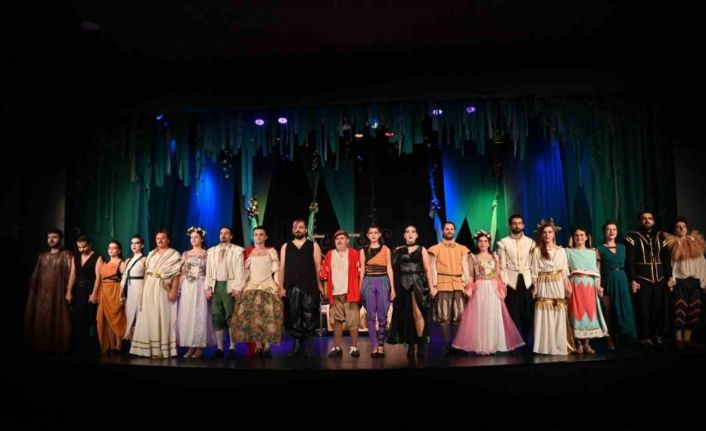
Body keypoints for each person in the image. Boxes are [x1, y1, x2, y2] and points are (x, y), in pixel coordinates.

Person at [453, 230, 524, 355]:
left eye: (485, 241)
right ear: (477, 243)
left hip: (492, 287)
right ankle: (481, 345)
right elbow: (471, 275)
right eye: (480, 241)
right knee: (480, 315)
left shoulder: (495, 256)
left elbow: (497, 273)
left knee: (492, 314)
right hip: (479, 287)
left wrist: (501, 287)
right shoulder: (472, 257)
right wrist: (469, 287)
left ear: (489, 243)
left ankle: (493, 344)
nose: (483, 243)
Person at [231, 226, 285, 357]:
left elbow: (276, 270)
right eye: (256, 234)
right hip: (252, 286)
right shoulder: (249, 252)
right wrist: (239, 287)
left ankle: (267, 346)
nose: (258, 237)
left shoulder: (271, 251)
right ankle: (258, 346)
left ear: (265, 237)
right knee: (254, 318)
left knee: (267, 316)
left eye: (261, 234)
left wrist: (278, 286)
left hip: (267, 285)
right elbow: (245, 273)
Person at [625, 211, 672, 351]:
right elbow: (630, 261)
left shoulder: (661, 236)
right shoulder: (633, 236)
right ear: (640, 221)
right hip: (642, 280)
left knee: (658, 309)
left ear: (653, 221)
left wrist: (670, 277)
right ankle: (644, 337)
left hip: (660, 279)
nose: (647, 220)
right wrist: (633, 279)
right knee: (643, 310)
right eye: (644, 218)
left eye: (650, 218)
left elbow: (666, 259)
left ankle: (656, 336)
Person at [129, 230, 181, 358]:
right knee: (149, 316)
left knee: (161, 315)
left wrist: (174, 290)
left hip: (162, 287)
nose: (160, 240)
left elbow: (176, 274)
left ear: (168, 240)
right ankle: (148, 349)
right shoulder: (151, 253)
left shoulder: (174, 254)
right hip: (149, 287)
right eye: (158, 238)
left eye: (163, 238)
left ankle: (162, 349)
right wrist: (142, 291)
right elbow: (147, 273)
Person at [388, 225, 435, 357]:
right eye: (407, 232)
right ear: (404, 235)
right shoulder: (399, 250)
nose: (410, 234)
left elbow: (427, 270)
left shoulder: (422, 249)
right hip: (402, 284)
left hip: (417, 284)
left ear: (416, 235)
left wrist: (432, 287)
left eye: (413, 232)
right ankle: (410, 344)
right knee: (405, 315)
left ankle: (420, 343)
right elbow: (392, 268)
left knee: (417, 313)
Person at [279, 219, 323, 358]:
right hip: (292, 286)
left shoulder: (313, 245)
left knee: (309, 316)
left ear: (305, 230)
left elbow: (318, 268)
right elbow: (282, 267)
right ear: (293, 230)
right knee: (294, 316)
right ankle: (296, 346)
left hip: (309, 285)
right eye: (296, 227)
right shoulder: (286, 246)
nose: (298, 229)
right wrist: (281, 286)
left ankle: (308, 346)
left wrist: (320, 286)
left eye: (301, 227)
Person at [24, 228, 73, 353]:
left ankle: (59, 346)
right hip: (43, 294)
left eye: (54, 237)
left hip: (59, 293)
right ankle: (42, 345)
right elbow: (35, 276)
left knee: (60, 319)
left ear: (60, 239)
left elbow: (72, 275)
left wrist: (69, 291)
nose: (51, 240)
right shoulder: (42, 257)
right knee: (42, 318)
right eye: (49, 237)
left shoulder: (66, 255)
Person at [428, 221, 470, 355]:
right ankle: (447, 344)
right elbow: (431, 269)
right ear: (442, 231)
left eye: (452, 229)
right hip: (442, 283)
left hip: (458, 284)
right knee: (444, 316)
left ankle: (457, 343)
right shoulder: (435, 249)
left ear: (455, 231)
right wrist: (433, 286)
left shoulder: (462, 249)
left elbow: (466, 268)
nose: (449, 231)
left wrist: (467, 285)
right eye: (447, 229)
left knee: (459, 316)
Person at [531, 220, 571, 355]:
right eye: (544, 232)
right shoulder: (537, 251)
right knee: (545, 313)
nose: (547, 235)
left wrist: (567, 286)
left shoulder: (561, 250)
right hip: (544, 283)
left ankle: (558, 346)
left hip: (558, 283)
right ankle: (545, 346)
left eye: (550, 232)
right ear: (541, 235)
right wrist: (535, 287)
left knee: (558, 311)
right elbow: (534, 271)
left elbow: (564, 271)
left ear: (554, 234)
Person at [666, 218, 706, 350]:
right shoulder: (672, 244)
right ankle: (679, 341)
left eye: (684, 226)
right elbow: (671, 265)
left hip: (694, 282)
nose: (682, 228)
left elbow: (702, 264)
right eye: (678, 226)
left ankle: (687, 340)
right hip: (679, 282)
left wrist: (703, 283)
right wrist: (671, 281)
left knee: (693, 311)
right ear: (674, 230)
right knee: (679, 311)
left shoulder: (695, 243)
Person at [320, 229, 361, 358]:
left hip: (350, 292)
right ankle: (337, 347)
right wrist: (326, 290)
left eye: (342, 238)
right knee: (337, 321)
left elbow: (360, 273)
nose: (339, 240)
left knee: (353, 321)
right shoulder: (330, 254)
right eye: (337, 239)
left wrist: (359, 290)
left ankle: (354, 347)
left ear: (347, 240)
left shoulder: (354, 254)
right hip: (335, 293)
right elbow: (324, 273)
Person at [205, 226, 245, 358]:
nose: (223, 235)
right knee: (217, 316)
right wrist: (208, 288)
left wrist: (238, 287)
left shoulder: (237, 251)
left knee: (230, 316)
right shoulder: (212, 251)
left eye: (226, 233)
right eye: (221, 233)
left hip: (230, 286)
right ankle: (220, 348)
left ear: (231, 236)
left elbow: (240, 271)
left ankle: (232, 347)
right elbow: (208, 271)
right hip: (216, 286)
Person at [596, 221, 637, 350]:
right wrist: (599, 285)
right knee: (609, 311)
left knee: (624, 308)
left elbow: (629, 266)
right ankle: (609, 339)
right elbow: (598, 269)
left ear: (617, 232)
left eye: (614, 229)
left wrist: (632, 281)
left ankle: (624, 338)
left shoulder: (623, 247)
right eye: (608, 229)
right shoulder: (599, 249)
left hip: (622, 280)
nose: (611, 231)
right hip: (608, 280)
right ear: (604, 232)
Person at [496, 214, 536, 348]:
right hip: (511, 282)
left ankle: (526, 340)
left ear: (523, 225)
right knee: (514, 313)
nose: (517, 225)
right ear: (510, 225)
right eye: (514, 223)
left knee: (528, 312)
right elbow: (502, 266)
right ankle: (515, 342)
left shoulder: (531, 242)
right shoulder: (503, 243)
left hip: (527, 281)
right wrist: (504, 283)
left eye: (519, 223)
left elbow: (533, 264)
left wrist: (534, 282)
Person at [567, 227, 608, 354]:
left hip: (589, 286)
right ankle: (578, 344)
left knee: (589, 313)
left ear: (586, 237)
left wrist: (598, 286)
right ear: (573, 237)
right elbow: (565, 270)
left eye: (581, 235)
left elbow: (596, 271)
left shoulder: (592, 252)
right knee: (576, 314)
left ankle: (587, 344)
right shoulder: (568, 252)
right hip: (575, 285)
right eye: (576, 235)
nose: (579, 237)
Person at [359, 224, 395, 358]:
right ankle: (374, 346)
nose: (373, 235)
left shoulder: (386, 249)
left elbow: (389, 268)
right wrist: (360, 287)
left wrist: (393, 288)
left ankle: (381, 345)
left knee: (382, 316)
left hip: (383, 281)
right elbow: (362, 270)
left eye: (375, 233)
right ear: (368, 235)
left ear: (379, 235)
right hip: (368, 281)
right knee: (370, 316)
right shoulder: (363, 250)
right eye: (371, 233)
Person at [177, 227, 214, 358]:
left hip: (201, 285)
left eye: (196, 237)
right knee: (187, 314)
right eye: (191, 237)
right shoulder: (186, 254)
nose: (193, 239)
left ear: (202, 239)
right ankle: (190, 346)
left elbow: (210, 272)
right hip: (188, 286)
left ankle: (199, 346)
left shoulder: (207, 253)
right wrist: (179, 288)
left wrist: (209, 288)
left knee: (200, 314)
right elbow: (183, 273)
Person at [66, 235, 102, 355]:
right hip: (78, 291)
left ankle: (92, 347)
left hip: (90, 290)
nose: (81, 249)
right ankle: (80, 346)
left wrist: (94, 293)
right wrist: (69, 291)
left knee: (91, 319)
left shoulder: (98, 257)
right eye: (79, 247)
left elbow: (98, 277)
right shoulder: (75, 256)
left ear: (90, 244)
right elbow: (72, 275)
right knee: (78, 318)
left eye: (84, 246)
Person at [96, 240, 126, 354]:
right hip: (105, 292)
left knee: (117, 319)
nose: (111, 250)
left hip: (115, 291)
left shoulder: (121, 263)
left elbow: (124, 281)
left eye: (114, 248)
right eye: (109, 247)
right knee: (108, 320)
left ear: (119, 250)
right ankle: (112, 346)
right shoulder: (105, 263)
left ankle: (118, 347)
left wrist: (122, 295)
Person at [120, 235, 146, 342]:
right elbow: (124, 278)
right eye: (132, 243)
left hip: (140, 289)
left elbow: (147, 278)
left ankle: (140, 343)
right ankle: (132, 343)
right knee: (130, 315)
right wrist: (121, 293)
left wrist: (144, 293)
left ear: (142, 245)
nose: (134, 245)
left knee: (139, 316)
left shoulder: (145, 259)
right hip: (130, 290)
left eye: (137, 243)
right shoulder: (128, 260)